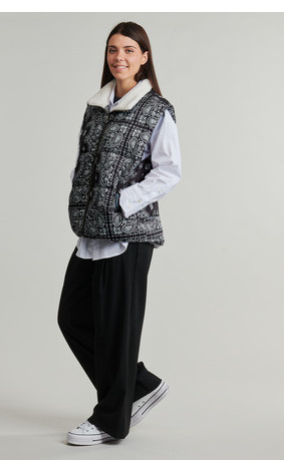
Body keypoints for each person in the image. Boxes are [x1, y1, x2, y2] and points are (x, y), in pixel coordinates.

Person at [57, 21, 182, 446]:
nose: (119, 57)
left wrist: (123, 201)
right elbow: (83, 163)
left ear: (144, 57)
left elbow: (169, 170)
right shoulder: (96, 107)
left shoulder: (156, 109)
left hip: (130, 234)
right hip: (92, 229)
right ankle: (140, 385)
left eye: (129, 50)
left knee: (116, 330)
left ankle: (111, 420)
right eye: (113, 49)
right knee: (72, 318)